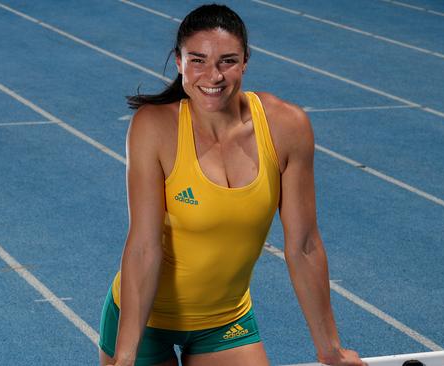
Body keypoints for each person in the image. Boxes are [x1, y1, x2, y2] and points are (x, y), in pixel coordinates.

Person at [99, 4, 367, 366]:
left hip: (225, 321)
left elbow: (303, 245)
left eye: (227, 61)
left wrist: (330, 350)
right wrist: (126, 357)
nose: (213, 75)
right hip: (144, 321)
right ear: (179, 63)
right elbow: (144, 247)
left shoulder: (286, 126)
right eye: (198, 60)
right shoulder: (154, 128)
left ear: (245, 63)